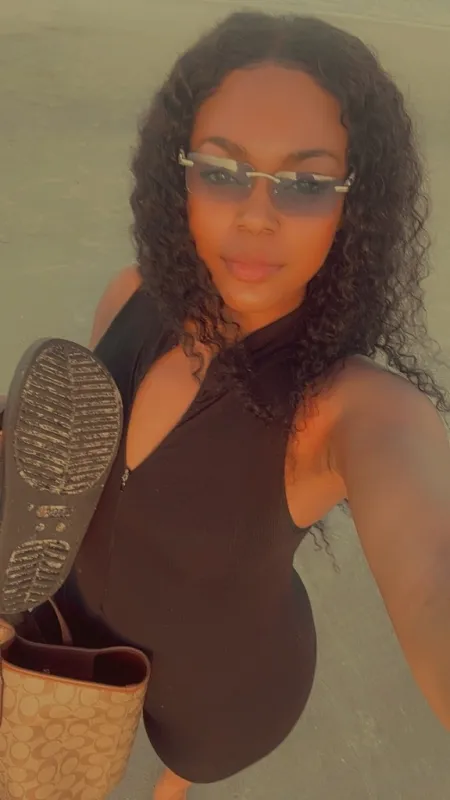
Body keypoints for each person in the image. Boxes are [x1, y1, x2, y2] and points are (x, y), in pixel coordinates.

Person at [2, 10, 450, 800]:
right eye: (221, 169)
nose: (256, 214)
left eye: (307, 184)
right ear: (179, 174)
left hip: (224, 696)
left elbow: (431, 583)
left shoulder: (346, 409)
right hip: (74, 631)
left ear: (356, 205)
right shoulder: (128, 296)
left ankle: (171, 787)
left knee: (186, 766)